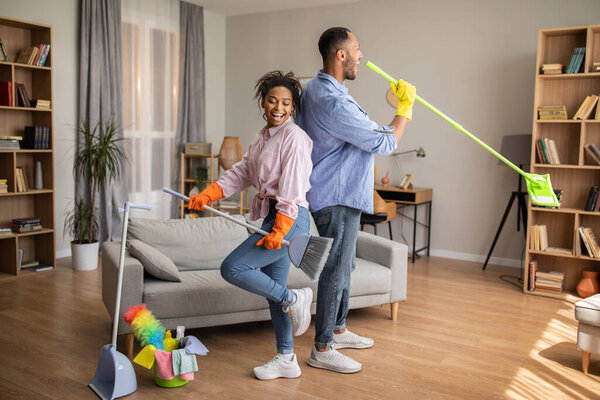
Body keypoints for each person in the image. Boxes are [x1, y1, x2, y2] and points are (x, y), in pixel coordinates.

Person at [296, 27, 416, 373]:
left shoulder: (326, 90)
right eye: (357, 49)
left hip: (343, 192)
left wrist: (393, 109)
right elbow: (383, 142)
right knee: (335, 268)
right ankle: (322, 348)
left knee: (345, 265)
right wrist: (405, 109)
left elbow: (361, 132)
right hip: (334, 195)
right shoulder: (331, 99)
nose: (361, 56)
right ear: (341, 55)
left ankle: (338, 328)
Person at [188, 71, 314, 380]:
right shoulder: (263, 136)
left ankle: (295, 299)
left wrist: (281, 228)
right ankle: (286, 357)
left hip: (290, 219)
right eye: (272, 100)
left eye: (285, 102)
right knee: (274, 292)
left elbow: (293, 189)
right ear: (263, 102)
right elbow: (242, 172)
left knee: (233, 267)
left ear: (293, 106)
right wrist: (209, 193)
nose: (278, 107)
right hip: (272, 218)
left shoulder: (294, 138)